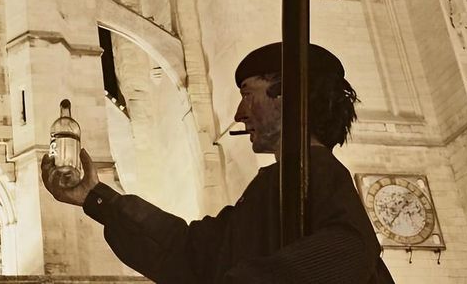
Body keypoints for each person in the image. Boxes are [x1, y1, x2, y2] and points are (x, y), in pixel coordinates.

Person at [41, 42, 395, 283]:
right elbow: (189, 251)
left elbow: (350, 247)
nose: (240, 113)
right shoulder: (267, 188)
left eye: (248, 95)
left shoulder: (317, 169)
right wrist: (94, 197)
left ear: (287, 96)